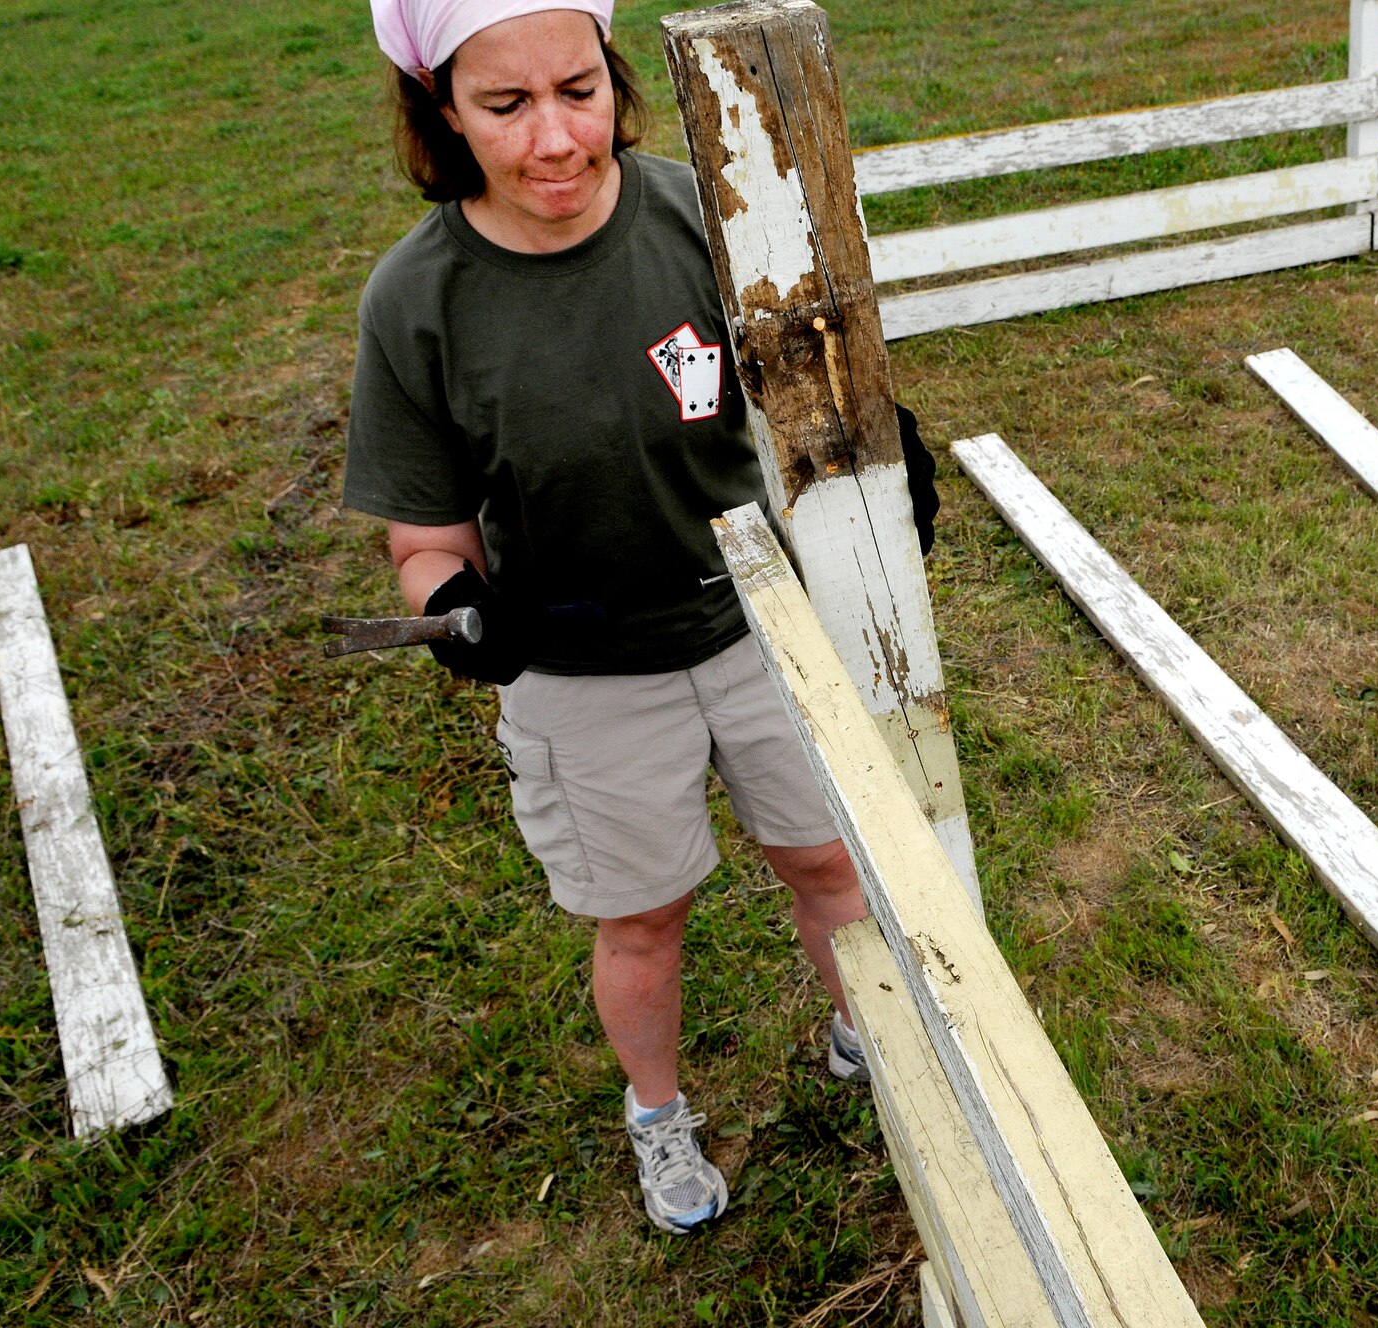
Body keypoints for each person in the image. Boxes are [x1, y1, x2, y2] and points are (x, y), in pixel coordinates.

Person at [345, 0, 922, 1235]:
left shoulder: (704, 213)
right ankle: (658, 1111)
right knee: (643, 913)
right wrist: (456, 610)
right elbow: (425, 539)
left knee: (829, 861)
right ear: (440, 111)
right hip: (582, 667)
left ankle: (864, 1031)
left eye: (579, 90)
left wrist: (882, 452)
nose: (555, 140)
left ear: (616, 78)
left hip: (761, 625)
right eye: (505, 107)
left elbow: (805, 367)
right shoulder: (417, 302)